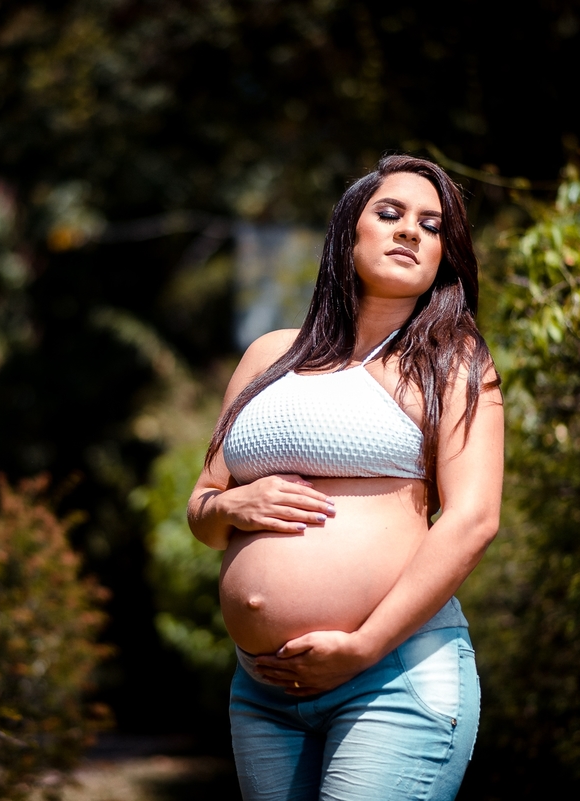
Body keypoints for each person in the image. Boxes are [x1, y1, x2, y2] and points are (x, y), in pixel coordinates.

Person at [187, 155, 504, 800]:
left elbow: (473, 520)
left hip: (392, 675)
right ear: (346, 234)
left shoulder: (453, 359)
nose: (410, 231)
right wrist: (233, 506)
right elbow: (200, 506)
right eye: (389, 214)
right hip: (262, 690)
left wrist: (362, 646)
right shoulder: (269, 355)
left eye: (431, 225)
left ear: (446, 254)